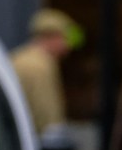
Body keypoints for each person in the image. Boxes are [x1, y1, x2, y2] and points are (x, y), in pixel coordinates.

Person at [10, 8, 84, 137]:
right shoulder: (40, 65)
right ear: (52, 37)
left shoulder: (19, 57)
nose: (68, 47)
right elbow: (48, 119)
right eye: (65, 39)